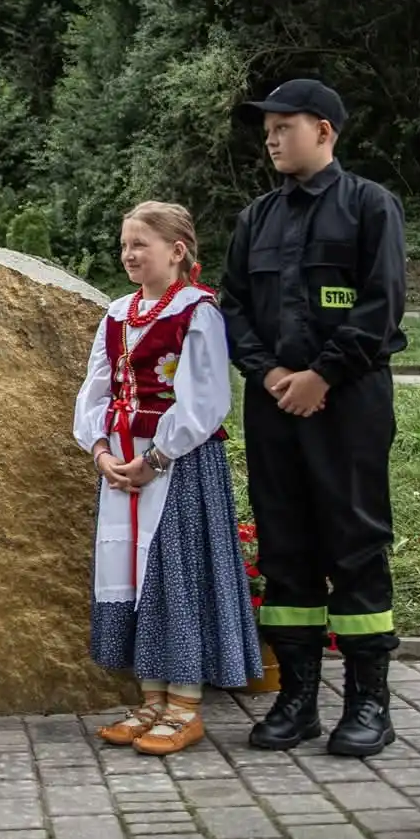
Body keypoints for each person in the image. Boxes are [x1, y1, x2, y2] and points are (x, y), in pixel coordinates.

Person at [220, 78, 407, 758]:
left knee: (355, 545)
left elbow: (380, 306)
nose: (270, 136)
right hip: (274, 406)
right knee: (285, 549)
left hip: (347, 403)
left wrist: (322, 374)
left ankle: (368, 704)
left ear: (325, 130)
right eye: (266, 126)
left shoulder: (369, 207)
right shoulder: (256, 219)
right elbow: (231, 307)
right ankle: (297, 699)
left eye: (284, 125)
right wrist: (271, 374)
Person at [76, 203, 261, 756]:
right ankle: (151, 698)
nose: (130, 254)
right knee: (133, 570)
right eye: (125, 245)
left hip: (176, 463)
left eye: (141, 244)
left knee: (172, 570)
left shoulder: (197, 312)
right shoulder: (116, 314)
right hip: (123, 464)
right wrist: (102, 449)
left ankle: (184, 705)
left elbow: (206, 399)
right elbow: (97, 388)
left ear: (177, 251)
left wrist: (155, 458)